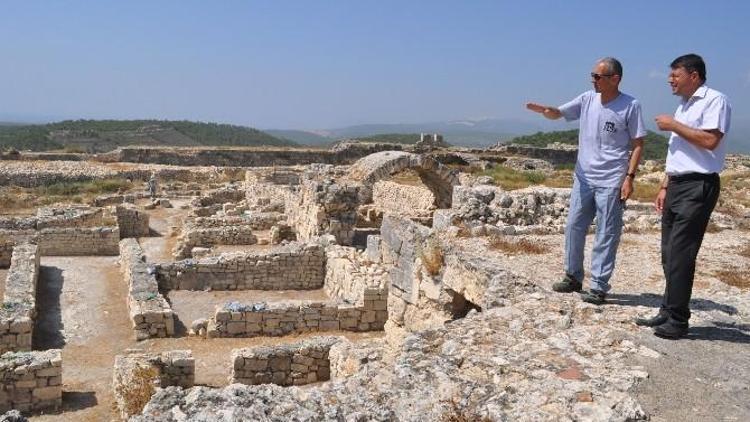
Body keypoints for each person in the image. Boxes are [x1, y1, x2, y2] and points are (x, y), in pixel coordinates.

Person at [526, 57, 646, 305]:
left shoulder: (630, 105)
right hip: (583, 177)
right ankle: (573, 276)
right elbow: (559, 113)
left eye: (598, 76)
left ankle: (599, 285)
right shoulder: (587, 99)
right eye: (592, 75)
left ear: (615, 79)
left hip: (612, 179)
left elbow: (637, 144)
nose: (593, 80)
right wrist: (548, 112)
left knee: (606, 232)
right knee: (573, 226)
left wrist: (629, 177)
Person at [635, 54, 731, 339]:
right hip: (677, 185)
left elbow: (711, 140)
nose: (669, 80)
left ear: (694, 76)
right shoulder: (684, 105)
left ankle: (678, 321)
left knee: (681, 254)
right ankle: (668, 309)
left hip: (698, 186)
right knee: (669, 253)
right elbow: (678, 152)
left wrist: (674, 125)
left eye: (675, 75)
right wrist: (665, 184)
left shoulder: (715, 100)